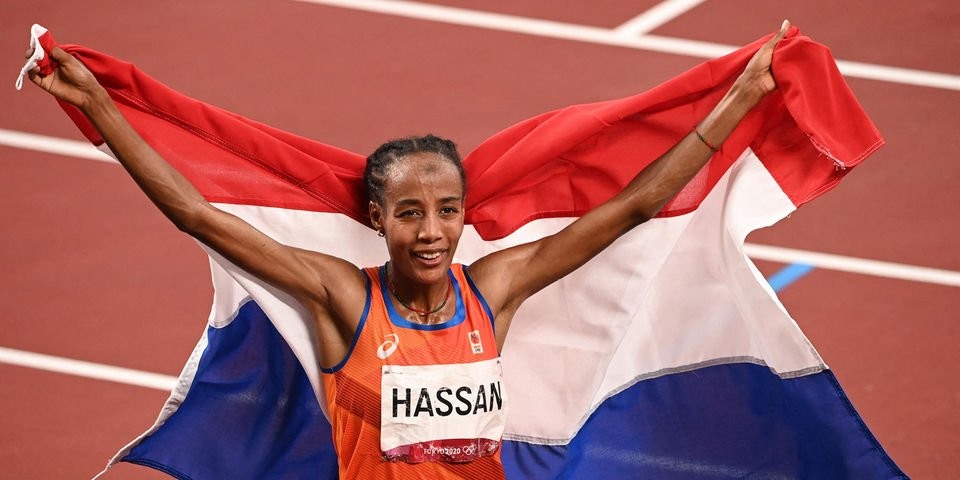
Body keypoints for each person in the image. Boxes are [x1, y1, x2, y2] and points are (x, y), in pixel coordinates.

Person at [26, 20, 789, 479]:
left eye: (447, 211)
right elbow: (197, 214)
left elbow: (634, 205)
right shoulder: (342, 297)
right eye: (410, 214)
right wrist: (99, 107)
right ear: (377, 218)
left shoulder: (494, 289)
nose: (431, 232)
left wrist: (739, 101)